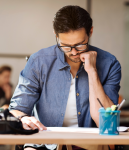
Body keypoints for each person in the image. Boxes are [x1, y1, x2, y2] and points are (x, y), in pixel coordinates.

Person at [9, 5, 121, 150]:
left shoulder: (109, 63)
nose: (73, 52)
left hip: (88, 144)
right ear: (56, 35)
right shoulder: (39, 62)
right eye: (66, 46)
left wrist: (92, 72)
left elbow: (105, 122)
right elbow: (16, 109)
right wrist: (23, 118)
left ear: (90, 32)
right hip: (45, 143)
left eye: (80, 45)